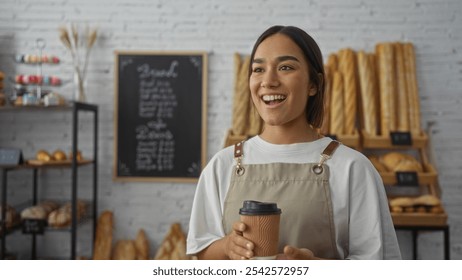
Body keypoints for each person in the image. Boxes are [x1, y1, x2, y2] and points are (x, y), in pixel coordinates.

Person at [186, 25, 401, 260]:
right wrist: (227, 247)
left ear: (314, 84)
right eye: (258, 69)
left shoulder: (353, 168)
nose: (268, 81)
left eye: (285, 67)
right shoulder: (222, 164)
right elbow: (200, 254)